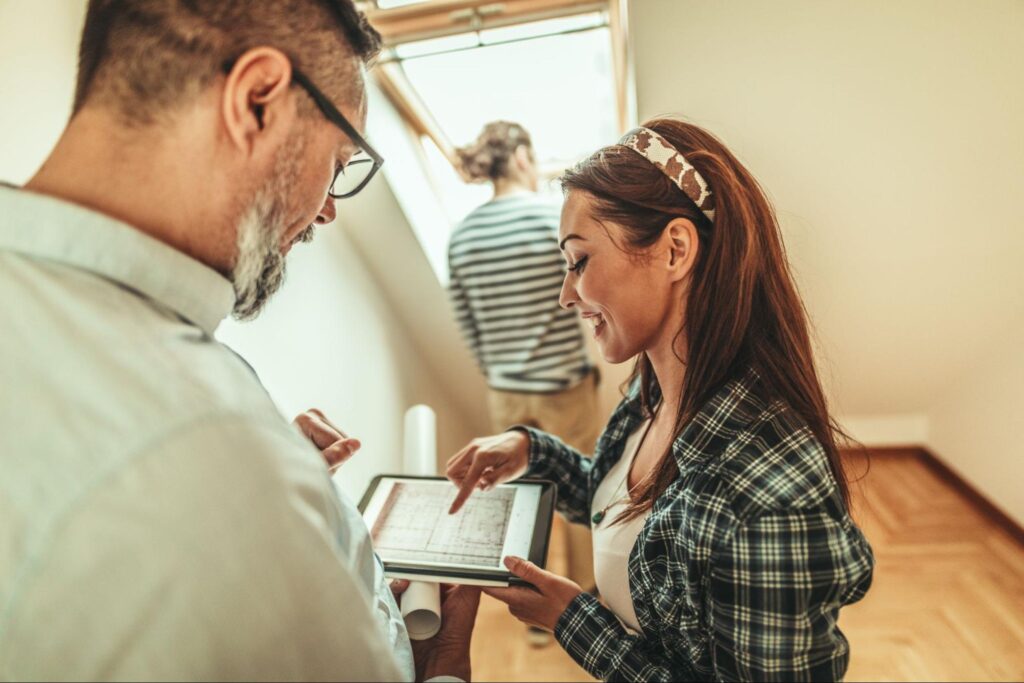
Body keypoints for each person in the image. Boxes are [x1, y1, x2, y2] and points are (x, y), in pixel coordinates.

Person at [0, 1, 478, 680]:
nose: (328, 209)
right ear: (257, 101)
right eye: (340, 161)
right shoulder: (208, 452)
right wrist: (440, 668)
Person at [445, 117, 875, 681]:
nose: (565, 295)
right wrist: (535, 451)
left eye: (578, 261)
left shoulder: (768, 498)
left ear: (675, 249)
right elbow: (630, 510)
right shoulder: (648, 396)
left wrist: (574, 620)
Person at [447, 121, 601, 595]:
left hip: (504, 393)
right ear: (519, 158)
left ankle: (528, 593)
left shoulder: (462, 235)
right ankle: (582, 595)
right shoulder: (551, 221)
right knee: (583, 492)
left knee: (520, 496)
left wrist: (498, 369)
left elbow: (466, 324)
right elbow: (582, 295)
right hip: (563, 387)